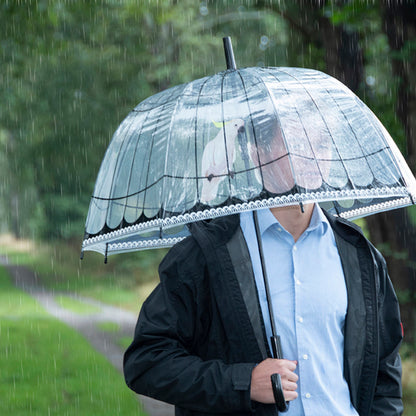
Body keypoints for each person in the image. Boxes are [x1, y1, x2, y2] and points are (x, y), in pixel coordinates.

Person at [123, 116, 403, 416]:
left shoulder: (359, 255)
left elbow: (383, 372)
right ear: (258, 155)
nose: (313, 155)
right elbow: (147, 361)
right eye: (297, 143)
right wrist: (243, 383)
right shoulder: (207, 254)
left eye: (322, 144)